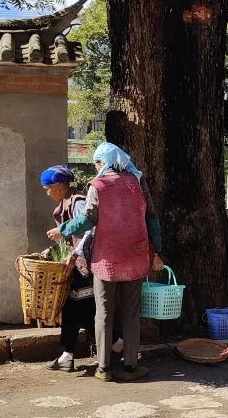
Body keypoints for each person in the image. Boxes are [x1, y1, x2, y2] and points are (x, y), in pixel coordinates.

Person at [51, 142, 163, 382]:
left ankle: (103, 368)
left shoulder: (97, 185)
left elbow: (88, 220)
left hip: (105, 260)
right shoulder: (138, 182)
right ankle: (131, 366)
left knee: (103, 313)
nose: (95, 167)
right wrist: (157, 252)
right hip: (135, 257)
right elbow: (151, 218)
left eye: (97, 162)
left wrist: (63, 229)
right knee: (131, 314)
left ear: (105, 161)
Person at [39, 165, 101, 372]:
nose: (47, 192)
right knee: (78, 309)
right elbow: (70, 238)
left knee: (82, 309)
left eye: (48, 188)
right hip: (75, 265)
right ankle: (70, 354)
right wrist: (53, 250)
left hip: (85, 267)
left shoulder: (78, 203)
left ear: (58, 186)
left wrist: (74, 255)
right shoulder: (65, 204)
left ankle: (113, 344)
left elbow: (88, 232)